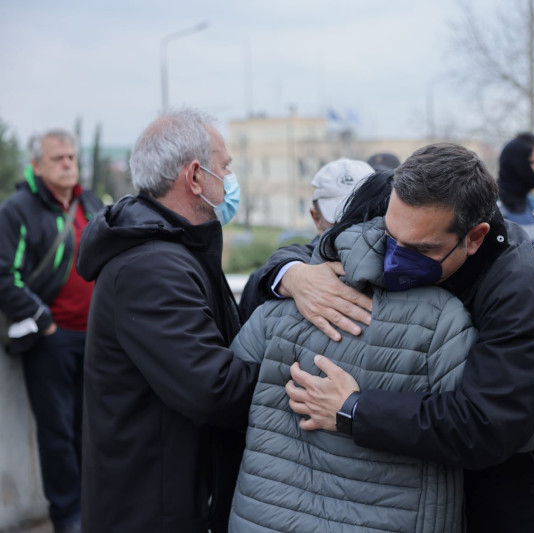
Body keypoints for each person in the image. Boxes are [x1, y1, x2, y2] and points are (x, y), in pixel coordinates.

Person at [266, 143, 534, 532]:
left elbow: (486, 424)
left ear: (475, 237)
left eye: (420, 249)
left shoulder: (522, 289)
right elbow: (325, 243)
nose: (395, 258)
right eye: (390, 238)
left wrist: (353, 410)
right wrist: (293, 274)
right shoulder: (410, 213)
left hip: (530, 502)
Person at [76, 109, 260, 533]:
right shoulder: (151, 267)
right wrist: (300, 382)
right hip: (153, 508)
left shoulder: (174, 250)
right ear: (195, 177)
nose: (231, 178)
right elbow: (212, 387)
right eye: (226, 166)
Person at [0, 129, 103, 533]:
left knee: (93, 429)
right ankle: (68, 516)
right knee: (57, 432)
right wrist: (44, 321)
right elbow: (4, 272)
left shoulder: (90, 203)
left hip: (97, 339)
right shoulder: (17, 210)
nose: (67, 163)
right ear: (36, 165)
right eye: (58, 157)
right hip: (51, 341)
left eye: (71, 157)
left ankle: (95, 508)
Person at [239, 157, 373, 319]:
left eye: (361, 216)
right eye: (340, 220)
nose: (351, 228)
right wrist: (292, 275)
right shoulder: (277, 275)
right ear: (317, 219)